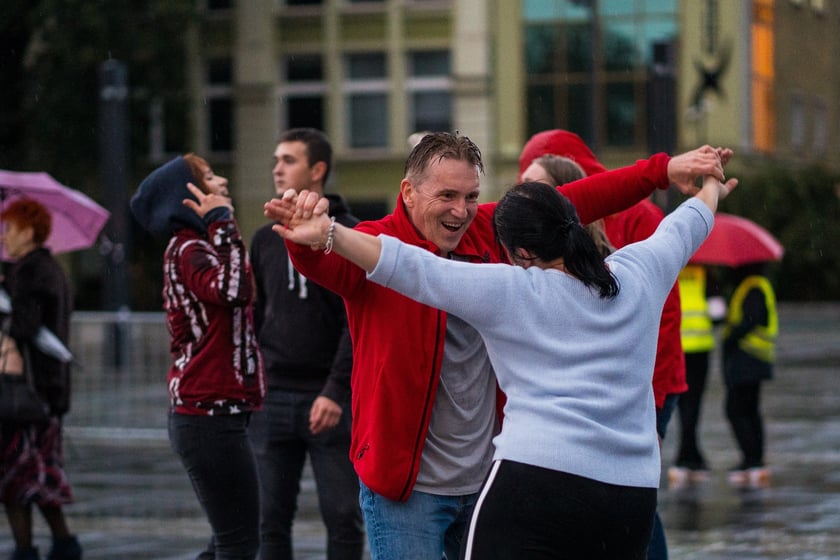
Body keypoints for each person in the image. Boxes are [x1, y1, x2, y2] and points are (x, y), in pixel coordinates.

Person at [264, 131, 731, 560]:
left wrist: (662, 171)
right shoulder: (371, 243)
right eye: (447, 196)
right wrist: (312, 241)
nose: (461, 211)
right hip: (409, 488)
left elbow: (578, 200)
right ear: (408, 192)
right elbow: (341, 264)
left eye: (470, 196)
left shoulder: (490, 237)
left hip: (492, 474)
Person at [519, 129, 688, 560]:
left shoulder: (637, 216)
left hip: (646, 386)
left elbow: (664, 316)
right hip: (596, 388)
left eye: (534, 183)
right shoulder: (537, 233)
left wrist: (650, 403)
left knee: (632, 492)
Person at [130, 154, 265, 559]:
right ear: (185, 196)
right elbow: (234, 290)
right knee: (238, 542)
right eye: (207, 176)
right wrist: (222, 220)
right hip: (207, 414)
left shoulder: (197, 246)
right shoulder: (189, 249)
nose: (221, 181)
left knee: (229, 539)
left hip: (215, 413)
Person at [249, 128, 365, 559]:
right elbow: (258, 316)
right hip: (273, 399)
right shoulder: (266, 239)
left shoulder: (350, 234)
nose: (277, 168)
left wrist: (335, 391)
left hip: (332, 401)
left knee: (343, 516)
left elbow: (357, 322)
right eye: (275, 160)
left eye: (289, 160)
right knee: (268, 519)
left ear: (317, 170)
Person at [0, 199, 80, 560]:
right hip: (45, 392)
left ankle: (27, 551)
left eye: (10, 229)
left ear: (29, 231)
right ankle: (63, 546)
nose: (5, 237)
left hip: (28, 393)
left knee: (16, 482)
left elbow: (23, 326)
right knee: (38, 479)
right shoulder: (47, 269)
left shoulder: (31, 272)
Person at [722, 263, 778, 488]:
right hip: (753, 359)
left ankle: (752, 459)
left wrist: (731, 337)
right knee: (749, 411)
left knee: (737, 410)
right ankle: (754, 459)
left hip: (748, 358)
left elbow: (751, 319)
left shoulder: (753, 287)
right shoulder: (755, 285)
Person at [669, 264, 717, 485]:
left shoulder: (672, 271)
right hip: (700, 349)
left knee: (681, 403)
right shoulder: (705, 275)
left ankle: (689, 454)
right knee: (694, 403)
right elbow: (718, 314)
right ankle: (689, 456)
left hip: (676, 347)